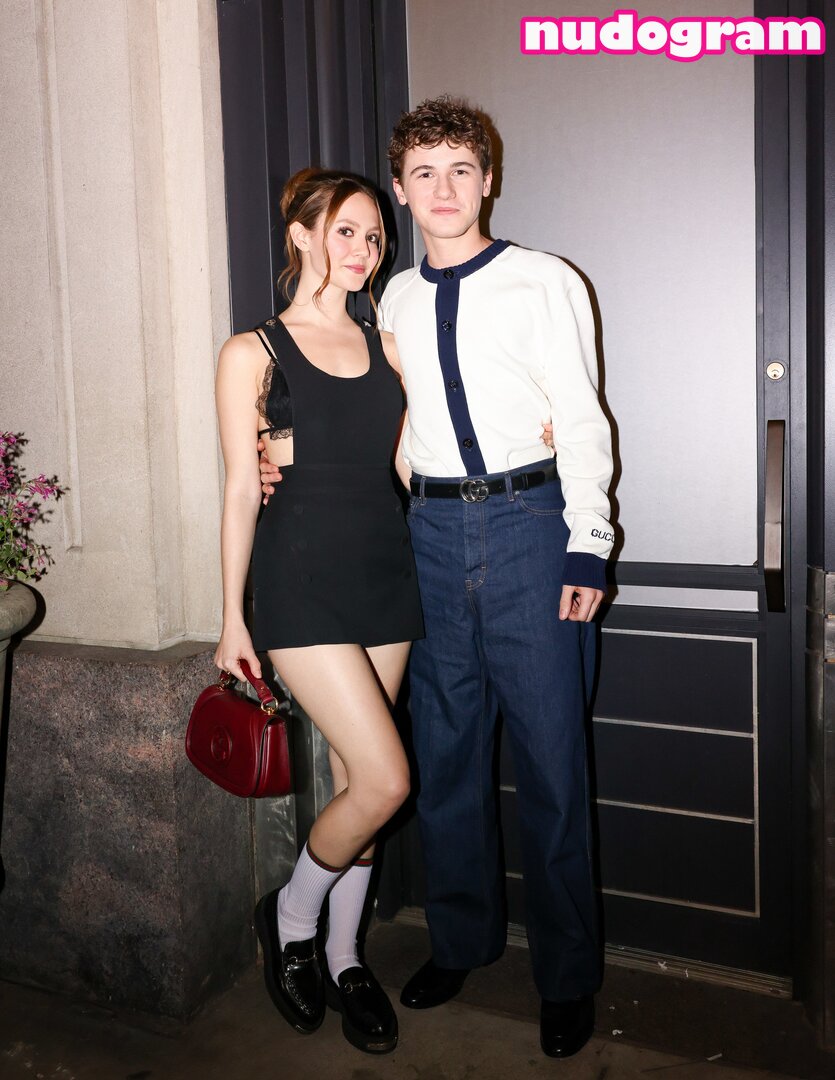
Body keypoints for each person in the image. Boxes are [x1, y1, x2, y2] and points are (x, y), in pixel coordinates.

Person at [262, 97, 614, 1060]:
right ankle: (460, 944)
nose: (444, 189)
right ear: (403, 189)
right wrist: (275, 456)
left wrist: (588, 539)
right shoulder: (392, 301)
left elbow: (582, 414)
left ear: (487, 179)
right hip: (425, 532)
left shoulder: (544, 280)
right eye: (423, 173)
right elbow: (361, 414)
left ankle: (566, 975)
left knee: (551, 761)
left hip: (531, 526)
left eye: (461, 168)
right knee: (448, 756)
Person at [214, 167, 424, 1055]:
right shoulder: (252, 351)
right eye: (346, 230)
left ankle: (343, 957)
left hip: (385, 572)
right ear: (302, 234)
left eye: (374, 236)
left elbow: (415, 460)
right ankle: (291, 919)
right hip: (299, 577)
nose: (363, 250)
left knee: (354, 787)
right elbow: (240, 488)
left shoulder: (390, 345)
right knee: (387, 781)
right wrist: (232, 615)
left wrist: (529, 435)